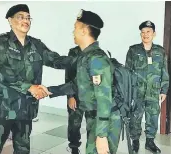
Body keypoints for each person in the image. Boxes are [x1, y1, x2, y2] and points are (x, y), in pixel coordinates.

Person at [0, 4, 74, 154]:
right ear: (10, 20)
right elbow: (2, 71)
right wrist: (30, 87)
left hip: (26, 107)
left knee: (23, 148)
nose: (25, 20)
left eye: (28, 17)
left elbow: (55, 60)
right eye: (20, 17)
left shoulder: (36, 44)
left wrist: (80, 60)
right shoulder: (1, 42)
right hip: (4, 107)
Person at [72, 9, 122, 154]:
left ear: (84, 30)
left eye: (75, 28)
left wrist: (101, 135)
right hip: (95, 117)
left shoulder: (96, 59)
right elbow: (78, 85)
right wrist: (50, 90)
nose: (73, 32)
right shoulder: (86, 56)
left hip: (105, 120)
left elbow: (104, 99)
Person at [125, 20, 169, 153]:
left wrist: (164, 90)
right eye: (143, 32)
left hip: (153, 91)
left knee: (153, 116)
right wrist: (128, 91)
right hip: (136, 91)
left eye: (148, 32)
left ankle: (150, 142)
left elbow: (164, 71)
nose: (145, 34)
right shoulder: (133, 50)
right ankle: (135, 141)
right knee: (135, 117)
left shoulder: (160, 51)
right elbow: (127, 72)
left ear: (154, 34)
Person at [65, 46, 84, 154]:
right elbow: (68, 75)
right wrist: (70, 96)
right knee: (74, 124)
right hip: (76, 95)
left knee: (94, 125)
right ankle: (74, 147)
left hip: (92, 97)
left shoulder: (97, 51)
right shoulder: (74, 52)